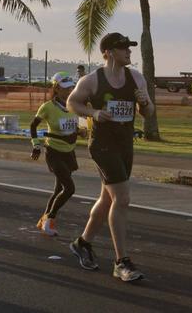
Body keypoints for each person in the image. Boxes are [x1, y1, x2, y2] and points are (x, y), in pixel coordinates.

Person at [67, 33, 153, 283]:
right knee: (122, 198)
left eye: (129, 48)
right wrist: (93, 112)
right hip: (103, 145)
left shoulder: (136, 78)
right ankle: (121, 262)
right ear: (108, 52)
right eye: (123, 48)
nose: (128, 52)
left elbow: (148, 113)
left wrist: (145, 103)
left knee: (107, 199)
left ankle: (82, 243)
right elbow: (73, 103)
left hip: (125, 144)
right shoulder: (92, 80)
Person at [30, 72, 80, 237]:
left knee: (59, 189)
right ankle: (50, 219)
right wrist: (36, 145)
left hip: (69, 152)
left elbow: (76, 127)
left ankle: (43, 219)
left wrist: (81, 132)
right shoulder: (48, 107)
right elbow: (33, 126)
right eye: (65, 88)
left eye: (71, 87)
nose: (69, 90)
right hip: (54, 152)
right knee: (69, 188)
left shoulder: (74, 105)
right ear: (56, 88)